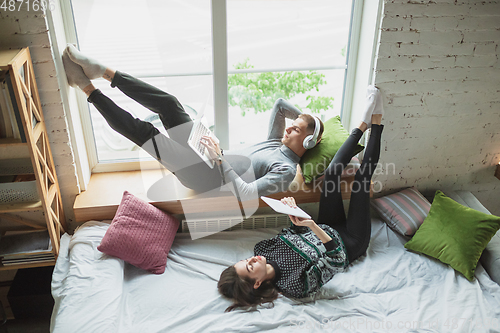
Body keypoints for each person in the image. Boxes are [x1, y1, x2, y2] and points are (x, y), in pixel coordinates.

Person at [62, 45, 324, 201]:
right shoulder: (276, 141)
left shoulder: (285, 169)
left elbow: (244, 194)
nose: (289, 127)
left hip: (207, 176)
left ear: (307, 141)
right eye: (293, 124)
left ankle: (87, 89)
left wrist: (219, 157)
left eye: (296, 129)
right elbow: (279, 105)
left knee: (147, 133)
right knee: (170, 105)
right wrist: (308, 120)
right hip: (209, 154)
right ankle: (104, 72)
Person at [217, 86, 384, 311]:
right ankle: (376, 122)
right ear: (257, 283)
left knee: (332, 173)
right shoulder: (294, 285)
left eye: (245, 261)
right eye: (249, 267)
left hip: (323, 225)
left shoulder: (263, 249)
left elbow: (296, 232)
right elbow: (335, 260)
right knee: (362, 179)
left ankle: (361, 126)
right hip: (349, 242)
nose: (252, 259)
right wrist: (312, 225)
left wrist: (293, 212)